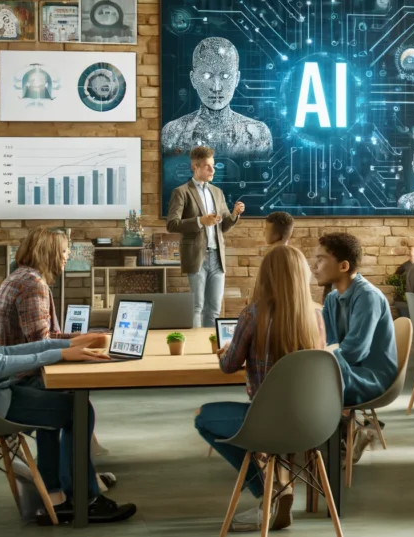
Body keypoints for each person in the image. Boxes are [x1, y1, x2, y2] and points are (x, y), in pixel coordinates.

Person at [0, 230, 136, 525]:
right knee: (78, 410)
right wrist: (61, 353)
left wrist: (63, 345)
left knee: (59, 402)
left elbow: (1, 352)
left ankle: (56, 490)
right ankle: (86, 500)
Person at [195, 245, 324, 532]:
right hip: (311, 422)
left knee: (203, 418)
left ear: (266, 276)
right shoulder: (316, 316)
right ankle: (279, 482)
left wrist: (226, 351)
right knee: (274, 431)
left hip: (265, 421)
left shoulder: (253, 315)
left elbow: (229, 366)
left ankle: (267, 490)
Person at [0, 227, 115, 474]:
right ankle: (78, 487)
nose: (68, 255)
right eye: (65, 250)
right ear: (49, 252)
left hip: (7, 376)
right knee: (74, 405)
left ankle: (60, 476)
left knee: (69, 395)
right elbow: (42, 341)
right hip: (20, 380)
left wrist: (79, 338)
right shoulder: (32, 284)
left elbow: (41, 339)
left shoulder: (19, 277)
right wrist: (81, 341)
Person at [313, 233, 397, 407]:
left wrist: (320, 359)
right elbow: (327, 342)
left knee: (306, 382)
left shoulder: (368, 296)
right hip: (345, 369)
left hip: (370, 378)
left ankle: (331, 429)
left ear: (343, 266)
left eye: (321, 260)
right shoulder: (331, 298)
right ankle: (333, 429)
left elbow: (355, 351)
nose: (315, 267)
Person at [166, 145, 245, 328]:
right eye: (207, 166)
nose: (212, 170)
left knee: (214, 308)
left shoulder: (217, 192)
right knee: (197, 307)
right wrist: (200, 221)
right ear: (195, 167)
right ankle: (195, 348)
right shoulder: (181, 192)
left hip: (217, 257)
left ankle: (210, 346)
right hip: (197, 257)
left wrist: (234, 214)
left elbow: (223, 226)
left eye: (213, 165)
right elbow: (172, 224)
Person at [161, 37, 273, 159]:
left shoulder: (256, 133)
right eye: (207, 75)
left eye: (225, 76)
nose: (217, 87)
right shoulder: (173, 132)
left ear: (237, 79)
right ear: (193, 79)